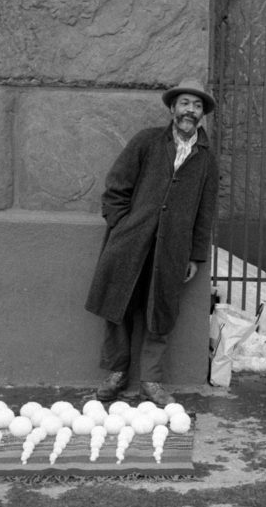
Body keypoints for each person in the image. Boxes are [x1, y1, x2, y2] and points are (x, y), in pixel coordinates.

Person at [85, 78, 219, 405]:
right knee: (119, 305)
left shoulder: (205, 158)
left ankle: (151, 381)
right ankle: (117, 373)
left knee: (158, 313)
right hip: (130, 243)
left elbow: (205, 212)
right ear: (173, 108)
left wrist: (195, 256)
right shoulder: (147, 142)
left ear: (202, 115)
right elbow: (116, 187)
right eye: (185, 103)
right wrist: (121, 226)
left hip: (172, 249)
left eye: (197, 105)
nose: (190, 111)